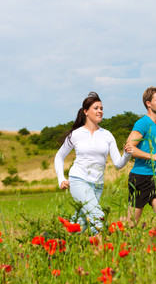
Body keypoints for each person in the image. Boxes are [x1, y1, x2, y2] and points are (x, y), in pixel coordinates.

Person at [54, 91, 133, 235]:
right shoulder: (76, 134)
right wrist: (61, 178)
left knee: (81, 223)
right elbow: (59, 157)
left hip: (97, 185)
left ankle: (56, 239)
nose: (100, 111)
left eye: (101, 108)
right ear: (86, 112)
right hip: (79, 180)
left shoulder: (107, 135)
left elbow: (118, 163)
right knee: (97, 217)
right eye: (96, 108)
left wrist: (127, 154)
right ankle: (105, 248)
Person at [126, 86, 156, 240]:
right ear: (148, 103)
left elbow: (154, 150)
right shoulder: (143, 123)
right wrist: (153, 157)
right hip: (140, 178)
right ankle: (111, 238)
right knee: (131, 223)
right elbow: (129, 148)